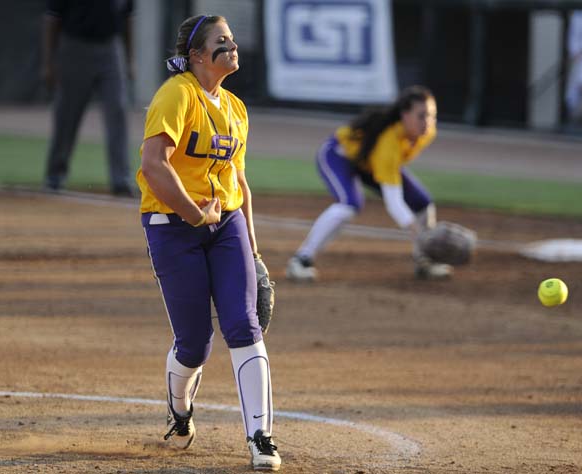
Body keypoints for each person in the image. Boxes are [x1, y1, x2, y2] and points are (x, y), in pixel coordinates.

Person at [137, 15, 281, 471]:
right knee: (195, 342)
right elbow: (154, 164)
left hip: (226, 225)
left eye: (232, 40)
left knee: (244, 326)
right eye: (222, 41)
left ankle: (261, 437)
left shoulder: (236, 108)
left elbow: (241, 183)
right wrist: (194, 213)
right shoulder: (176, 94)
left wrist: (254, 255)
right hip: (172, 227)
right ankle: (180, 411)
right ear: (197, 56)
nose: (232, 46)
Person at [286, 85, 452, 282]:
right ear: (405, 115)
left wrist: (423, 235)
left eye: (431, 115)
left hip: (370, 164)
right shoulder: (388, 143)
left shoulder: (426, 133)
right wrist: (419, 233)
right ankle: (301, 260)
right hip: (339, 156)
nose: (428, 122)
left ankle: (425, 261)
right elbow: (394, 203)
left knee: (422, 203)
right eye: (421, 115)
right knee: (350, 205)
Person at [42, 0, 135, 196]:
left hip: (111, 47)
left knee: (117, 110)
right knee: (67, 114)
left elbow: (128, 18)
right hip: (75, 46)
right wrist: (49, 62)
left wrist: (129, 59)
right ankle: (55, 176)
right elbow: (52, 19)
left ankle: (121, 180)